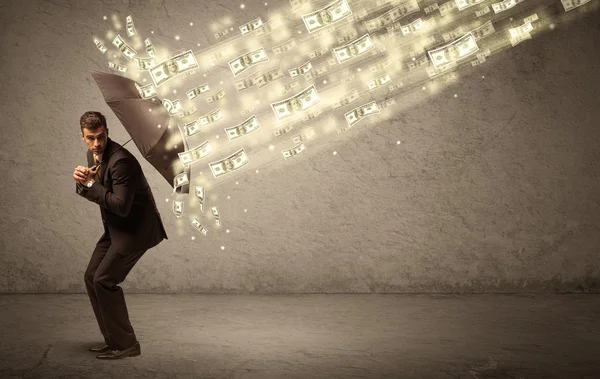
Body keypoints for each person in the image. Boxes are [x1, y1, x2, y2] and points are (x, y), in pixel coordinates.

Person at [73, 111, 168, 359]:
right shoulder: (92, 155)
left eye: (101, 137)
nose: (97, 143)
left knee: (104, 280)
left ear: (107, 132)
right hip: (115, 229)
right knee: (91, 276)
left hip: (135, 231)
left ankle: (127, 345)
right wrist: (83, 182)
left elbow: (121, 206)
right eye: (91, 138)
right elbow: (97, 193)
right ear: (82, 137)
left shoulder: (121, 162)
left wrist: (93, 185)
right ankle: (113, 340)